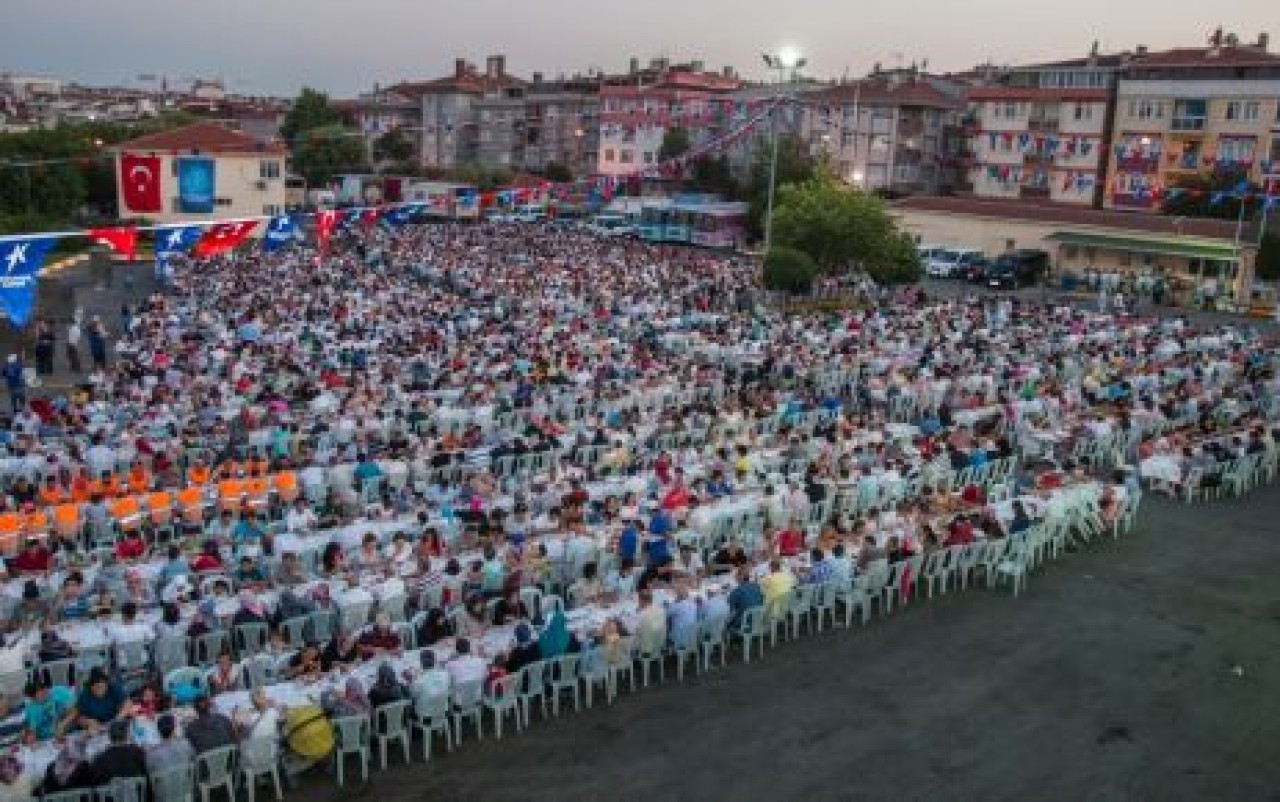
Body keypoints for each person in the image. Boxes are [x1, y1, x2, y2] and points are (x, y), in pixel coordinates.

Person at [88, 718, 149, 784]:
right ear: (127, 735)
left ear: (109, 737)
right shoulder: (138, 752)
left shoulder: (99, 759)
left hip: (111, 793)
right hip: (137, 792)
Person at [727, 567, 765, 631]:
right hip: (759, 619)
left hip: (744, 623)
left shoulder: (737, 591)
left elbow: (730, 609)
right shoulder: (757, 586)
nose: (735, 578)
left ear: (740, 577)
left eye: (736, 576)